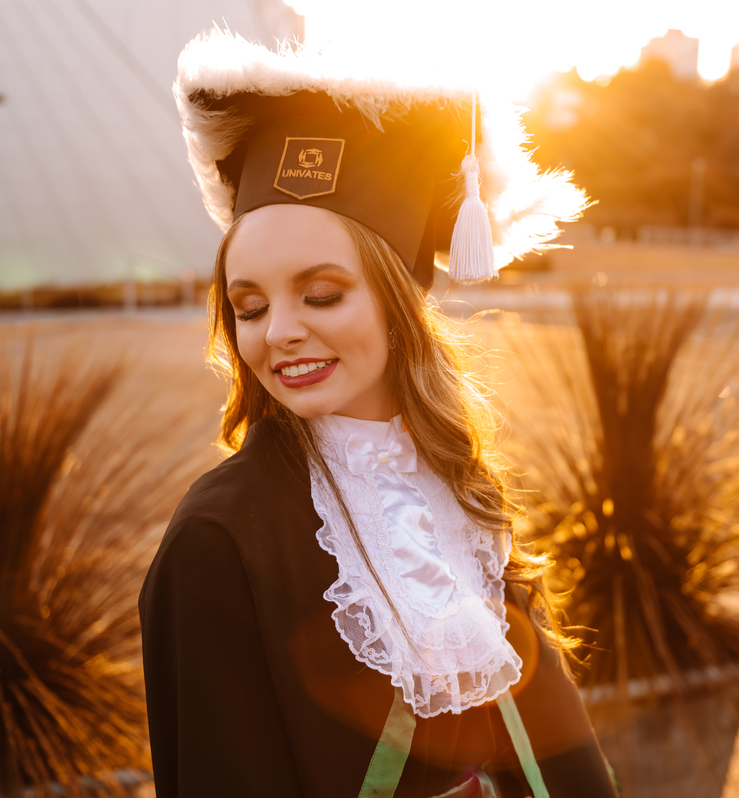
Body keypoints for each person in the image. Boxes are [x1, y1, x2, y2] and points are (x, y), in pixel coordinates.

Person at [138, 29, 617, 798]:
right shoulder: (216, 541)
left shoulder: (457, 485)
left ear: (401, 303)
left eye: (321, 294)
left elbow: (552, 736)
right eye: (249, 306)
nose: (279, 332)